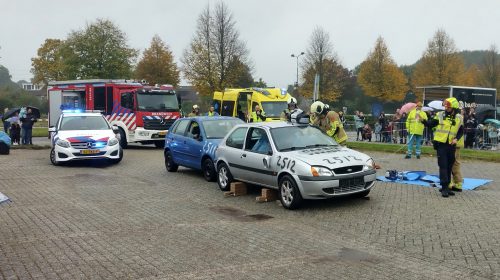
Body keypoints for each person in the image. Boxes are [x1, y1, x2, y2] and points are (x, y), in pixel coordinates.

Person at [422, 97, 464, 198]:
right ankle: (444, 187)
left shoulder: (459, 117)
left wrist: (456, 139)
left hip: (451, 145)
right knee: (443, 166)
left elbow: (461, 131)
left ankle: (448, 186)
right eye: (445, 106)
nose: (446, 108)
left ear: (453, 107)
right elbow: (431, 124)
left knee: (450, 166)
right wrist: (423, 120)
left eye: (448, 106)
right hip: (441, 145)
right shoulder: (440, 115)